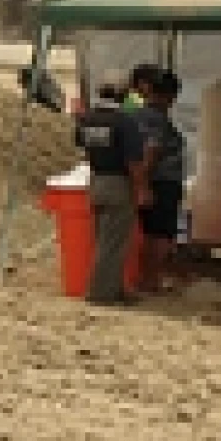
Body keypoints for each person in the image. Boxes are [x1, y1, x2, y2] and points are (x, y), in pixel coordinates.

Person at [75, 84, 147, 305]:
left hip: (96, 181)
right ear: (123, 96)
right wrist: (141, 189)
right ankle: (100, 294)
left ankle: (115, 289)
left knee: (102, 239)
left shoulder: (86, 120)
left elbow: (83, 149)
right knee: (113, 243)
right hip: (118, 183)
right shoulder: (125, 122)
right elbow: (133, 162)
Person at [132, 69, 187, 295]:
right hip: (161, 183)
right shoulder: (157, 120)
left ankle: (147, 278)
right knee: (160, 235)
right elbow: (151, 151)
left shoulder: (136, 116)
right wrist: (144, 186)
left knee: (149, 232)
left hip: (149, 181)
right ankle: (150, 281)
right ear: (169, 95)